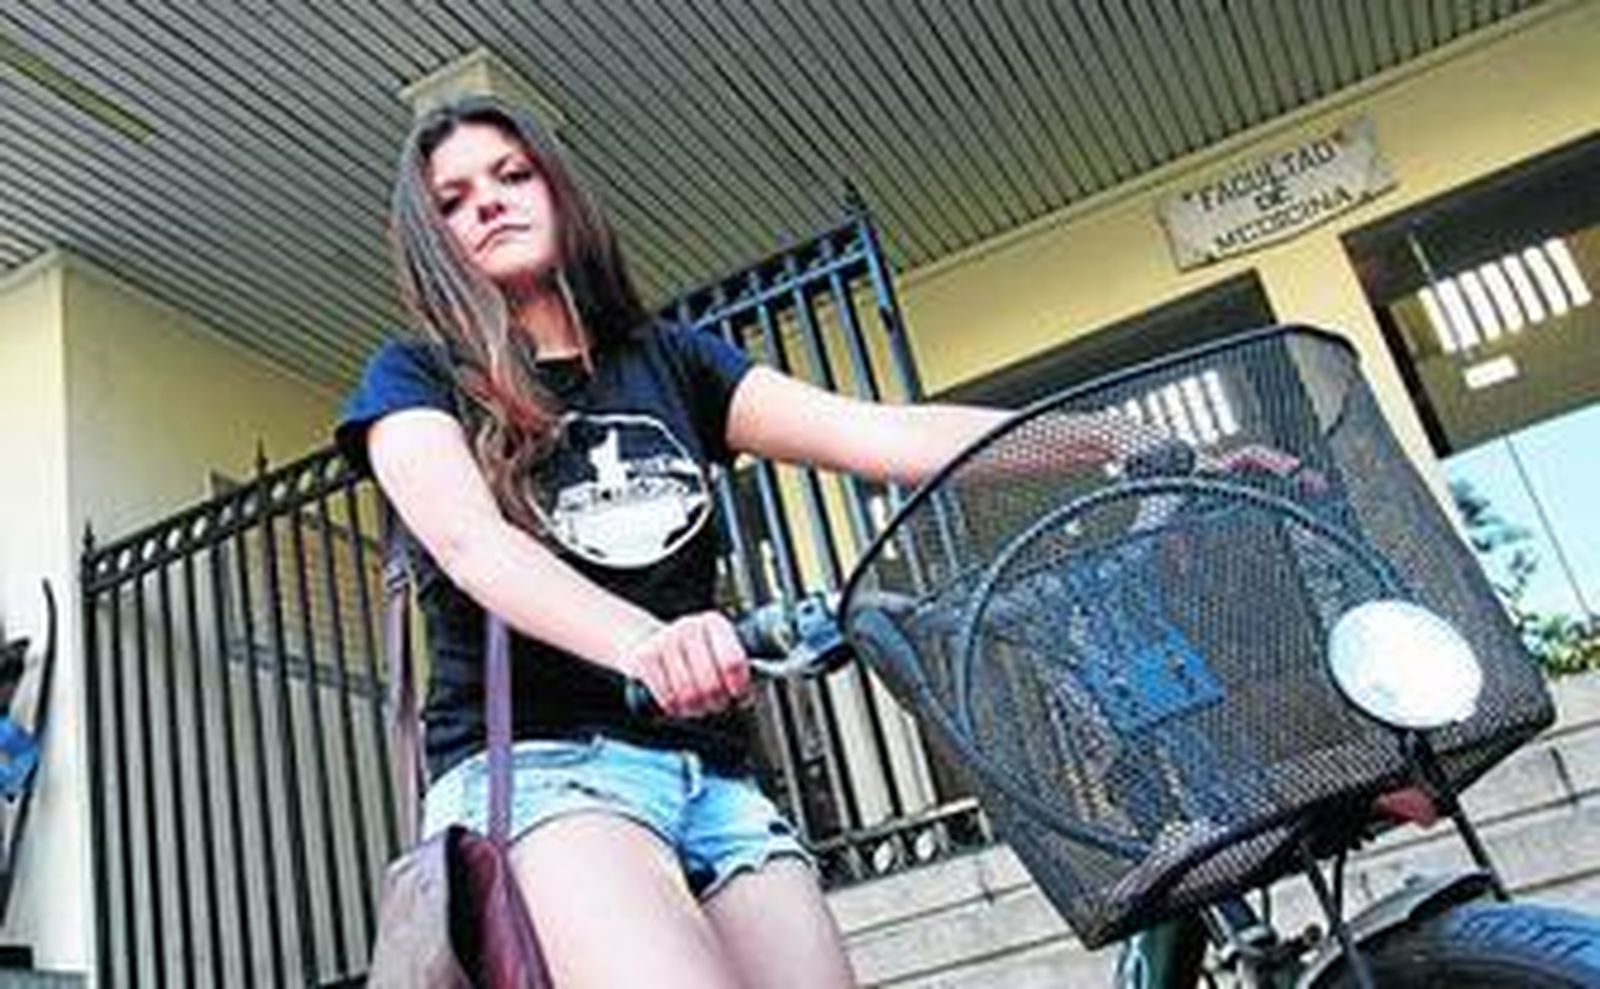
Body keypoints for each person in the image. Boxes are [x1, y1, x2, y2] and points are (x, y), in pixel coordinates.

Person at [338, 94, 1176, 989]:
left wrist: (1121, 440)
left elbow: (879, 432)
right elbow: (474, 547)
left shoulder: (671, 360)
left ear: (558, 190)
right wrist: (647, 642)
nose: (490, 202)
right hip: (545, 768)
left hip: (709, 775)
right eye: (455, 199)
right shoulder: (416, 376)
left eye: (512, 175)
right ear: (432, 238)